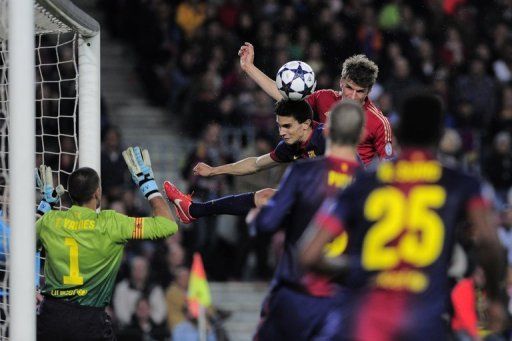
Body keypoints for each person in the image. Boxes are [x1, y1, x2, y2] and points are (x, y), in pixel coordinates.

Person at [299, 93, 507, 340]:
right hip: (424, 323)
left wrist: (359, 268)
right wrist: (494, 298)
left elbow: (308, 254)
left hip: (364, 324)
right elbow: (490, 244)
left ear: (396, 130)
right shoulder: (463, 184)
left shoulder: (363, 182)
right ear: (440, 135)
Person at [36, 146, 179, 341]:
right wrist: (148, 186)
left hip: (51, 318)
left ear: (68, 193)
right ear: (97, 193)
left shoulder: (49, 221)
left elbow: (20, 247)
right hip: (90, 322)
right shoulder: (111, 223)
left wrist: (44, 208)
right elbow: (167, 225)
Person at [250, 100, 364, 340]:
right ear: (361, 134)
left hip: (295, 295)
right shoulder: (369, 185)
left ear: (328, 131)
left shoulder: (304, 172)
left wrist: (256, 216)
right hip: (340, 302)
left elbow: (267, 224)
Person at [165, 99, 326, 223]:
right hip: (320, 204)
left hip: (342, 203)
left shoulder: (326, 137)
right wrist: (214, 170)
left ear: (305, 124)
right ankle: (193, 210)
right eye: (279, 126)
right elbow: (255, 164)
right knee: (265, 197)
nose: (282, 132)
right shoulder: (290, 146)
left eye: (287, 126)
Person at [238, 42, 393, 166]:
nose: (352, 96)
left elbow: (388, 166)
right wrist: (249, 67)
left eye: (360, 91)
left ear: (369, 91)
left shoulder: (379, 122)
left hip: (352, 190)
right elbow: (284, 96)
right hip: (319, 179)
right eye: (349, 88)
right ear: (341, 82)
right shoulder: (324, 98)